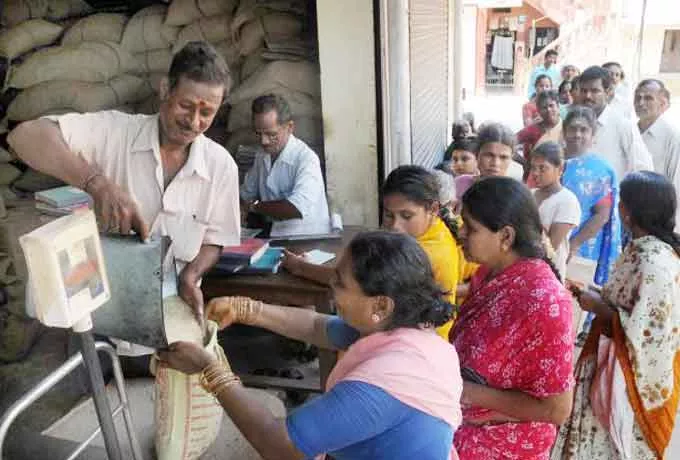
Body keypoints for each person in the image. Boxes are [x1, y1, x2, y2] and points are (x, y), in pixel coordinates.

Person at [158, 231, 464, 460]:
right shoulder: (406, 331)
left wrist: (211, 369)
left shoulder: (386, 384)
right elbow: (320, 327)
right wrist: (246, 309)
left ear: (381, 305)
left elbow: (278, 444)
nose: (331, 288)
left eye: (340, 283)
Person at [8, 41, 239, 331]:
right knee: (99, 375)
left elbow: (215, 239)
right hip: (101, 320)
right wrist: (97, 184)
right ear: (165, 90)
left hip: (171, 316)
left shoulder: (222, 167)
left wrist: (190, 276)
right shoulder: (115, 133)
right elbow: (24, 137)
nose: (193, 122)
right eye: (186, 106)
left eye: (206, 113)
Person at [551, 171, 680, 460]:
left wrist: (597, 306)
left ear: (628, 211)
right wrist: (596, 294)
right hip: (606, 360)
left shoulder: (653, 261)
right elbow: (630, 306)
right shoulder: (643, 250)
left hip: (628, 381)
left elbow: (647, 333)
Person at [450, 177, 574, 460]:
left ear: (506, 236)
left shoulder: (544, 302)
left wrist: (467, 392)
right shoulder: (488, 273)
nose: (461, 233)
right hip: (462, 414)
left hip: (502, 441)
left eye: (470, 227)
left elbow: (557, 409)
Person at [283, 165, 475, 340]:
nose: (395, 226)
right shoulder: (436, 228)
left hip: (413, 340)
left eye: (406, 216)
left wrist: (299, 267)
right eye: (389, 215)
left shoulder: (427, 253)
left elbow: (348, 278)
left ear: (433, 209)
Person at [240, 94, 329, 237]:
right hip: (276, 235)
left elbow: (296, 207)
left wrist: (253, 206)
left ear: (289, 127)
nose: (264, 141)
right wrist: (241, 207)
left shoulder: (306, 159)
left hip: (306, 238)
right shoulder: (261, 155)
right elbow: (245, 194)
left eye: (271, 134)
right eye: (259, 133)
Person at [579, 65, 653, 180]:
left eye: (594, 91)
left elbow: (643, 168)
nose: (588, 96)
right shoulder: (575, 124)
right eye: (584, 91)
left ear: (608, 92)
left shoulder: (623, 125)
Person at [530, 141, 581, 280]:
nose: (535, 173)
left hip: (548, 272)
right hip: (526, 267)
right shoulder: (530, 194)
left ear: (560, 169)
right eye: (533, 167)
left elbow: (550, 247)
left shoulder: (567, 201)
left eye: (542, 168)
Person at [635, 79, 680, 230]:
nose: (641, 103)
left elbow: (676, 184)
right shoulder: (630, 131)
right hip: (631, 212)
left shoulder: (672, 136)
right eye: (638, 97)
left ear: (662, 104)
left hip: (658, 218)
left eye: (648, 98)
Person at [454, 122, 522, 199]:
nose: (495, 163)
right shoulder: (460, 184)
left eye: (503, 157)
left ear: (511, 159)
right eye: (489, 155)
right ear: (476, 154)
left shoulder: (515, 196)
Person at [517, 90, 563, 165]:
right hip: (536, 174)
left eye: (551, 105)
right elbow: (508, 143)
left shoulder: (567, 127)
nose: (548, 110)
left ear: (558, 106)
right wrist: (524, 163)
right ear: (538, 110)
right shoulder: (533, 130)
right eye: (544, 107)